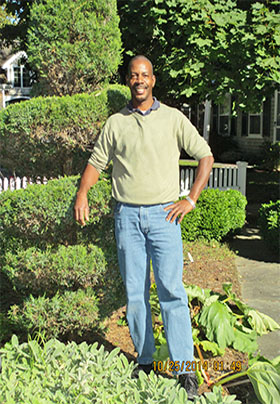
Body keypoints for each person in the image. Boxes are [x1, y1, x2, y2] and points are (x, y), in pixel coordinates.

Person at [74, 55, 214, 400]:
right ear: (129, 81)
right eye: (134, 75)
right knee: (135, 295)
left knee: (172, 293)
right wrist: (82, 193)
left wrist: (191, 199)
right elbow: (96, 163)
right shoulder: (116, 124)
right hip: (127, 219)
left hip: (165, 218)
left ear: (153, 80)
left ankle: (184, 371)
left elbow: (205, 155)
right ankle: (146, 361)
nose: (139, 80)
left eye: (145, 74)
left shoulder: (172, 119)